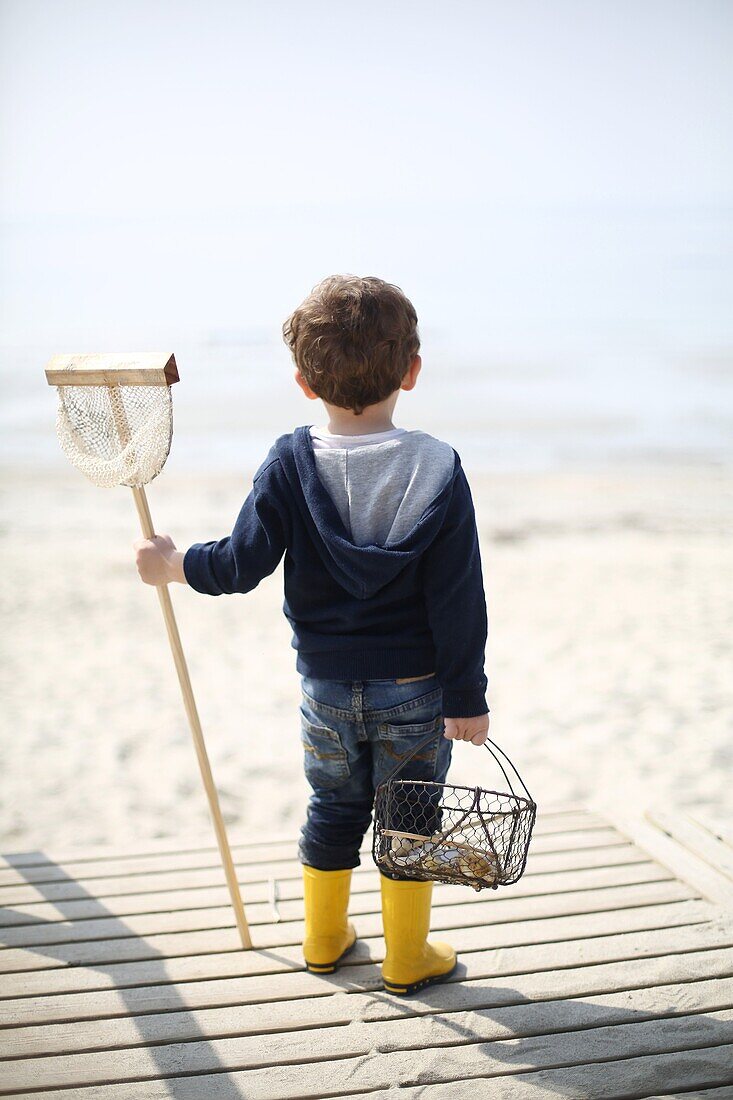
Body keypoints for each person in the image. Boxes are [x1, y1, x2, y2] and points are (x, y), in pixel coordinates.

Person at [134, 274, 490, 996]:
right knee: (410, 815)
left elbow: (239, 565)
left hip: (325, 687)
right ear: (411, 371)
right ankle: (404, 956)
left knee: (333, 806)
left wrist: (173, 565)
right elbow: (459, 599)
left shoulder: (289, 463)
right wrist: (467, 694)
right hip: (415, 689)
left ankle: (324, 939)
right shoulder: (439, 468)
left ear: (302, 382)